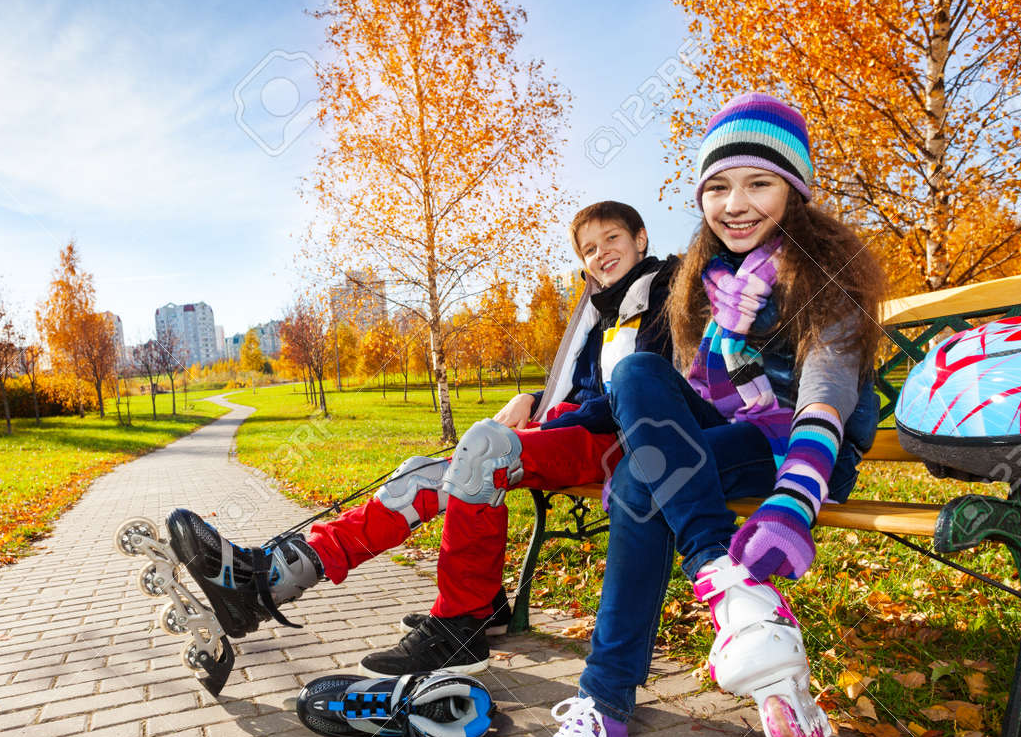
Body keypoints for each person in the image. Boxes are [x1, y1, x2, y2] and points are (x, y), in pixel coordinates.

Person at [506, 92, 886, 737]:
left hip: (806, 454)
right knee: (636, 377)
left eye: (758, 184)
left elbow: (826, 397)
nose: (734, 205)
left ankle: (607, 705)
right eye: (717, 186)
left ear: (796, 191)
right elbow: (670, 395)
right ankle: (739, 600)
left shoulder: (827, 276)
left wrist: (792, 501)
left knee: (638, 490)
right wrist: (549, 420)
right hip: (735, 443)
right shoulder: (704, 285)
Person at [164, 200, 682, 677]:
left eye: (611, 239)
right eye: (588, 249)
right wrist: (533, 401)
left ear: (640, 238)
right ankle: (274, 577)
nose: (600, 254)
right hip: (570, 433)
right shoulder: (598, 309)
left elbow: (652, 383)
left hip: (627, 444)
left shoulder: (669, 292)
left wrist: (553, 419)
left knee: (483, 449)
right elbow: (581, 379)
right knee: (419, 475)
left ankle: (461, 625)